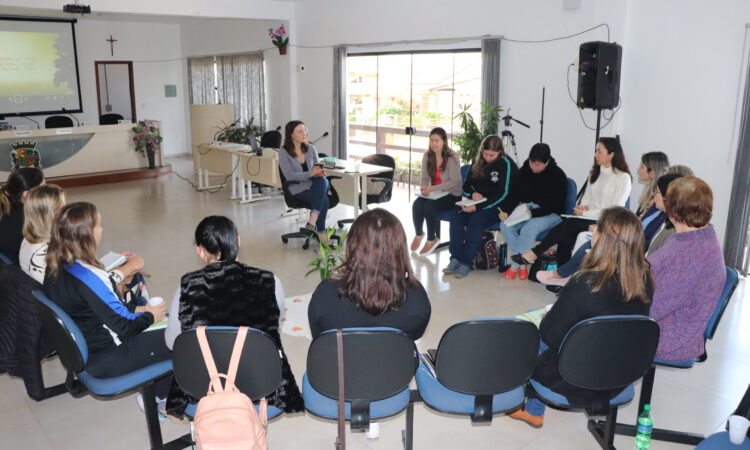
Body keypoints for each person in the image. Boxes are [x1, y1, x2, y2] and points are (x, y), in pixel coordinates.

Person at [510, 207, 653, 428]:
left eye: (598, 227)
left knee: (524, 327)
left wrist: (551, 316)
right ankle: (533, 410)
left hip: (573, 376)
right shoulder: (645, 281)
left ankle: (523, 403)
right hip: (620, 372)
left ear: (605, 240)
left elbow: (550, 336)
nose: (593, 229)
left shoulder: (585, 282)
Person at [164, 215, 303, 420]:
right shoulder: (269, 281)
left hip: (204, 386)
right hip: (260, 383)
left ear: (200, 251)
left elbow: (172, 342)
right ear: (238, 241)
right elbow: (274, 325)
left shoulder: (187, 285)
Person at [43, 202, 170, 400]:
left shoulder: (55, 266)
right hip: (112, 356)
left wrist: (139, 308)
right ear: (86, 235)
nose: (102, 229)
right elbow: (125, 327)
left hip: (91, 351)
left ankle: (160, 394)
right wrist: (150, 316)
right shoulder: (90, 276)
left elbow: (100, 307)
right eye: (98, 226)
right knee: (180, 336)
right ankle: (163, 400)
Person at [308, 208, 431, 341]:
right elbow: (415, 334)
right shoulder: (416, 298)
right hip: (394, 361)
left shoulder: (325, 294)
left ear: (352, 245)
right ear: (400, 248)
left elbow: (319, 337)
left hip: (342, 361)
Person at [515, 137, 631, 267]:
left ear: (611, 154)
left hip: (607, 221)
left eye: (599, 151)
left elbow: (614, 211)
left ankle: (536, 254)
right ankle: (561, 273)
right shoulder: (595, 172)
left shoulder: (623, 178)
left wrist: (585, 214)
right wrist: (582, 208)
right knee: (566, 232)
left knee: (567, 226)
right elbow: (587, 198)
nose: (595, 154)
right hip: (588, 217)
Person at [648, 176, 726, 362]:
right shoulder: (691, 237)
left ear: (673, 208)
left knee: (587, 326)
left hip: (668, 338)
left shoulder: (692, 256)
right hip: (660, 324)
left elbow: (650, 309)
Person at [443, 135, 518, 278]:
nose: (488, 158)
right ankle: (455, 258)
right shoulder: (478, 160)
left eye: (492, 155)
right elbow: (466, 186)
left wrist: (479, 206)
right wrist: (473, 194)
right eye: (485, 154)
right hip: (476, 202)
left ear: (500, 152)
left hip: (498, 205)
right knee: (456, 216)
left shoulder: (506, 164)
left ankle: (466, 262)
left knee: (477, 220)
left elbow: (504, 194)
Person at [499, 143, 567, 280]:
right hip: (526, 209)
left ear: (547, 162)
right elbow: (514, 195)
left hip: (551, 213)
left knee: (529, 228)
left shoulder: (558, 175)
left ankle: (515, 265)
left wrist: (534, 214)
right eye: (532, 163)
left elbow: (556, 204)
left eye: (539, 165)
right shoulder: (524, 171)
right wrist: (505, 211)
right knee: (505, 226)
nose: (534, 167)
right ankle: (523, 265)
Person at [411, 127, 462, 256]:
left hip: (452, 194)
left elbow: (454, 182)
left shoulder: (452, 157)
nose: (433, 143)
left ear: (444, 141)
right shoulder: (427, 155)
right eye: (431, 140)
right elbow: (424, 177)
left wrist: (431, 189)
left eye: (437, 140)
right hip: (436, 193)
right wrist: (424, 189)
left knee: (429, 205)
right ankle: (418, 234)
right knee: (417, 204)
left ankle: (431, 238)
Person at [278, 120, 329, 239]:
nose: (304, 133)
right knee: (324, 200)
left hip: (314, 184)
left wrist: (319, 172)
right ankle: (321, 232)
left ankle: (313, 221)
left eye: (305, 130)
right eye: (300, 131)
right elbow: (289, 175)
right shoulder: (283, 152)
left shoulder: (311, 148)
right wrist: (310, 173)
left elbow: (317, 166)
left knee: (322, 180)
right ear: (291, 135)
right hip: (297, 187)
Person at [19, 184, 66, 283]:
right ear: (48, 215)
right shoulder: (41, 255)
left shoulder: (33, 236)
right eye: (62, 209)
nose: (66, 213)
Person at [0, 167, 45, 264]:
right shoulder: (27, 219)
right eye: (43, 188)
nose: (47, 192)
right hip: (20, 269)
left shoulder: (5, 204)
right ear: (26, 194)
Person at [635, 151, 670, 216]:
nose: (638, 169)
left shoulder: (659, 199)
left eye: (642, 166)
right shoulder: (649, 192)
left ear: (652, 172)